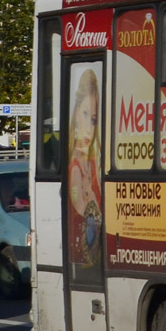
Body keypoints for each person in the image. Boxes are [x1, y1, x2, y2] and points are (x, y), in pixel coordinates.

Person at [68, 68, 102, 266]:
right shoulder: (75, 169)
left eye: (94, 119)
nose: (89, 126)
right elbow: (87, 218)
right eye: (85, 114)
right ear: (76, 113)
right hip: (86, 259)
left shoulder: (93, 162)